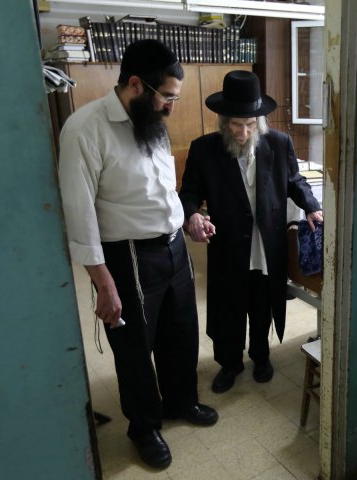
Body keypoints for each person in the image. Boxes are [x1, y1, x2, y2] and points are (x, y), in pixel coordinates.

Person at [57, 39, 218, 470]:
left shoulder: (151, 122)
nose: (171, 107)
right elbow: (79, 212)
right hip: (126, 257)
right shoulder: (85, 128)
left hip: (172, 248)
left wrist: (187, 220)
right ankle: (144, 426)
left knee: (180, 333)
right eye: (167, 96)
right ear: (135, 84)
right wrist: (102, 282)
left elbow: (162, 192)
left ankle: (181, 401)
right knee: (134, 349)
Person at [179, 70, 323, 394]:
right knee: (230, 308)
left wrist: (312, 205)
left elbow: (294, 182)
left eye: (249, 124)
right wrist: (191, 216)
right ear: (222, 121)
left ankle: (261, 356)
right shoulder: (204, 150)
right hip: (228, 246)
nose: (243, 132)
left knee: (262, 305)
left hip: (267, 245)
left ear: (259, 121)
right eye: (235, 124)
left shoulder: (278, 143)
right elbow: (188, 193)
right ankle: (230, 364)